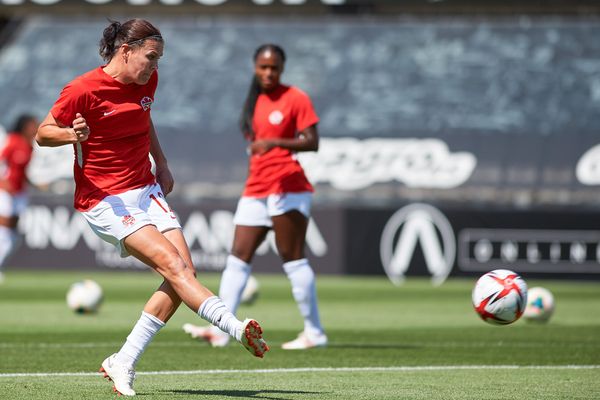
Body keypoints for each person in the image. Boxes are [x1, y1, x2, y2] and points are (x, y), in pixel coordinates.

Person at [36, 19, 269, 397]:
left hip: (145, 188)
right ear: (125, 51)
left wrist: (161, 162)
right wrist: (70, 135)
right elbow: (43, 132)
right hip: (104, 198)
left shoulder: (147, 82)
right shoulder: (82, 89)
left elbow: (145, 121)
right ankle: (234, 327)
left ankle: (123, 361)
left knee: (184, 273)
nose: (155, 66)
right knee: (175, 268)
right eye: (151, 57)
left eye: (159, 59)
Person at [183, 44, 327, 350]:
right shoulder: (254, 100)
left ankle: (314, 332)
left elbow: (312, 141)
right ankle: (221, 330)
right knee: (237, 259)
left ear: (282, 68)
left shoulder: (295, 98)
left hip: (288, 186)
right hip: (256, 188)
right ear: (254, 67)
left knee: (293, 259)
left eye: (274, 67)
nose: (268, 72)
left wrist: (274, 142)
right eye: (263, 67)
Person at [0, 115, 38, 283]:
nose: (36, 127)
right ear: (24, 126)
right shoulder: (12, 141)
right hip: (6, 191)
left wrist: (34, 183)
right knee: (5, 229)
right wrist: (3, 182)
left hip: (19, 192)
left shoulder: (29, 147)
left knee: (13, 234)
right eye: (33, 124)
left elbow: (22, 172)